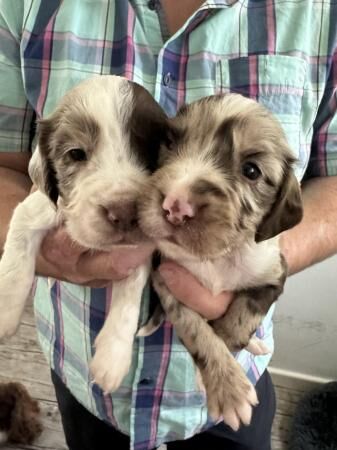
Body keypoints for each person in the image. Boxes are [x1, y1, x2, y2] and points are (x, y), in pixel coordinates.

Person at [0, 1, 336, 449]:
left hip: (233, 375)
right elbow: (7, 166)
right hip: (82, 371)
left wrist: (240, 276)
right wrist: (43, 256)